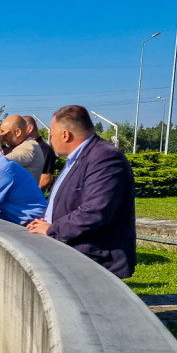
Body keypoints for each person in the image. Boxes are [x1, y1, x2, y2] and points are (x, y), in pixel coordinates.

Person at [27, 105, 136, 278]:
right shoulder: (77, 158)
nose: (50, 141)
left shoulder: (105, 157)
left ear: (65, 135)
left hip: (96, 258)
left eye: (52, 136)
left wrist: (53, 228)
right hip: (76, 253)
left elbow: (95, 211)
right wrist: (48, 219)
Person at [0, 115, 45, 180]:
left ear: (18, 132)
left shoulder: (29, 149)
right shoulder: (24, 145)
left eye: (5, 134)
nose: (2, 137)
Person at [23, 115, 57, 192]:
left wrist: (30, 195)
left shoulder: (44, 149)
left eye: (19, 129)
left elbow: (45, 178)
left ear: (30, 128)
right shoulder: (25, 148)